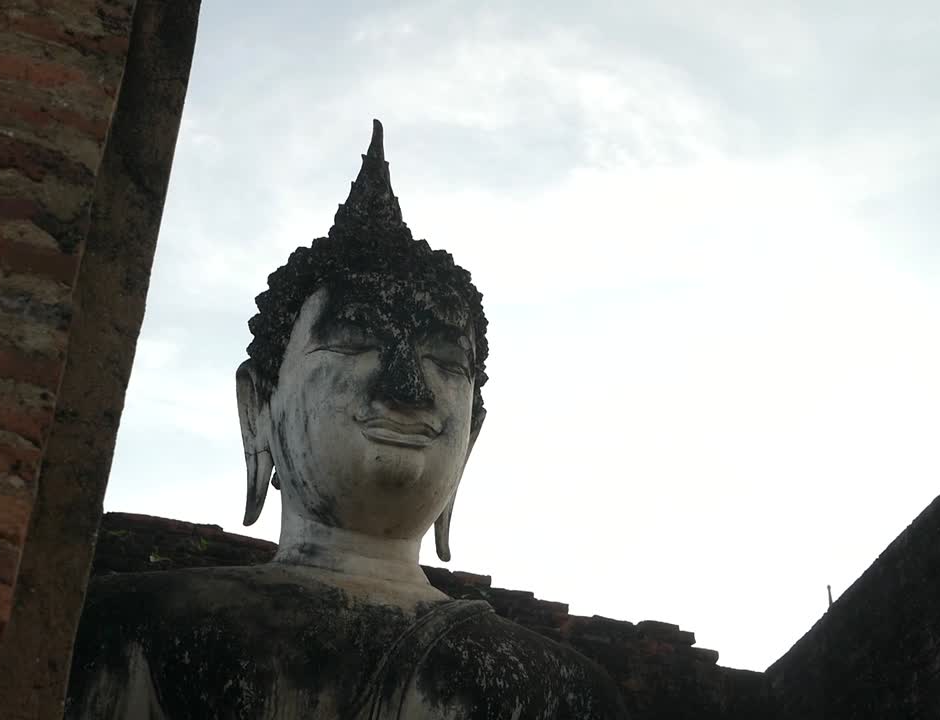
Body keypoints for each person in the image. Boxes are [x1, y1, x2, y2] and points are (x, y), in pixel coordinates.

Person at [64, 120, 629, 719]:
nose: (406, 390)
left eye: (443, 362)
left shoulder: (565, 693)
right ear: (257, 406)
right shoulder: (132, 631)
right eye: (353, 343)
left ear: (473, 435)